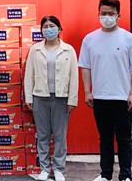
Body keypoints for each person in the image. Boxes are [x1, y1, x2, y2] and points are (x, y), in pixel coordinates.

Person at [79, 0, 132, 181]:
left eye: (111, 13)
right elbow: (85, 67)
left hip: (123, 98)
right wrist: (87, 92)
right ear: (98, 14)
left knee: (124, 139)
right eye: (104, 13)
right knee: (105, 139)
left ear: (118, 15)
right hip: (100, 97)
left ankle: (125, 175)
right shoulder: (90, 39)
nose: (107, 17)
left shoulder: (129, 39)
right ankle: (105, 175)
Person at [24, 15, 79, 181]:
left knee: (60, 136)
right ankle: (44, 169)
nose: (49, 29)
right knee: (43, 135)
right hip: (40, 96)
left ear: (59, 29)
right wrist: (29, 97)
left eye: (52, 26)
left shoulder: (68, 50)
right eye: (45, 26)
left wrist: (72, 99)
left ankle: (59, 169)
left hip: (61, 98)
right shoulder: (35, 50)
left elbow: (74, 76)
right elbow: (29, 74)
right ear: (41, 30)